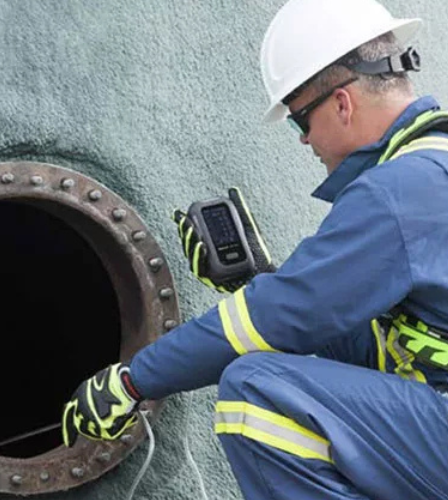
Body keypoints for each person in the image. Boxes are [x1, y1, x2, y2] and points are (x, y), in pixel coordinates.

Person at [61, 0, 448, 498]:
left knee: (254, 393)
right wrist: (260, 277)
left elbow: (280, 318)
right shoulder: (429, 171)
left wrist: (134, 382)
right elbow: (361, 343)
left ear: (342, 104)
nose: (304, 142)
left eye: (299, 121)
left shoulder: (401, 190)